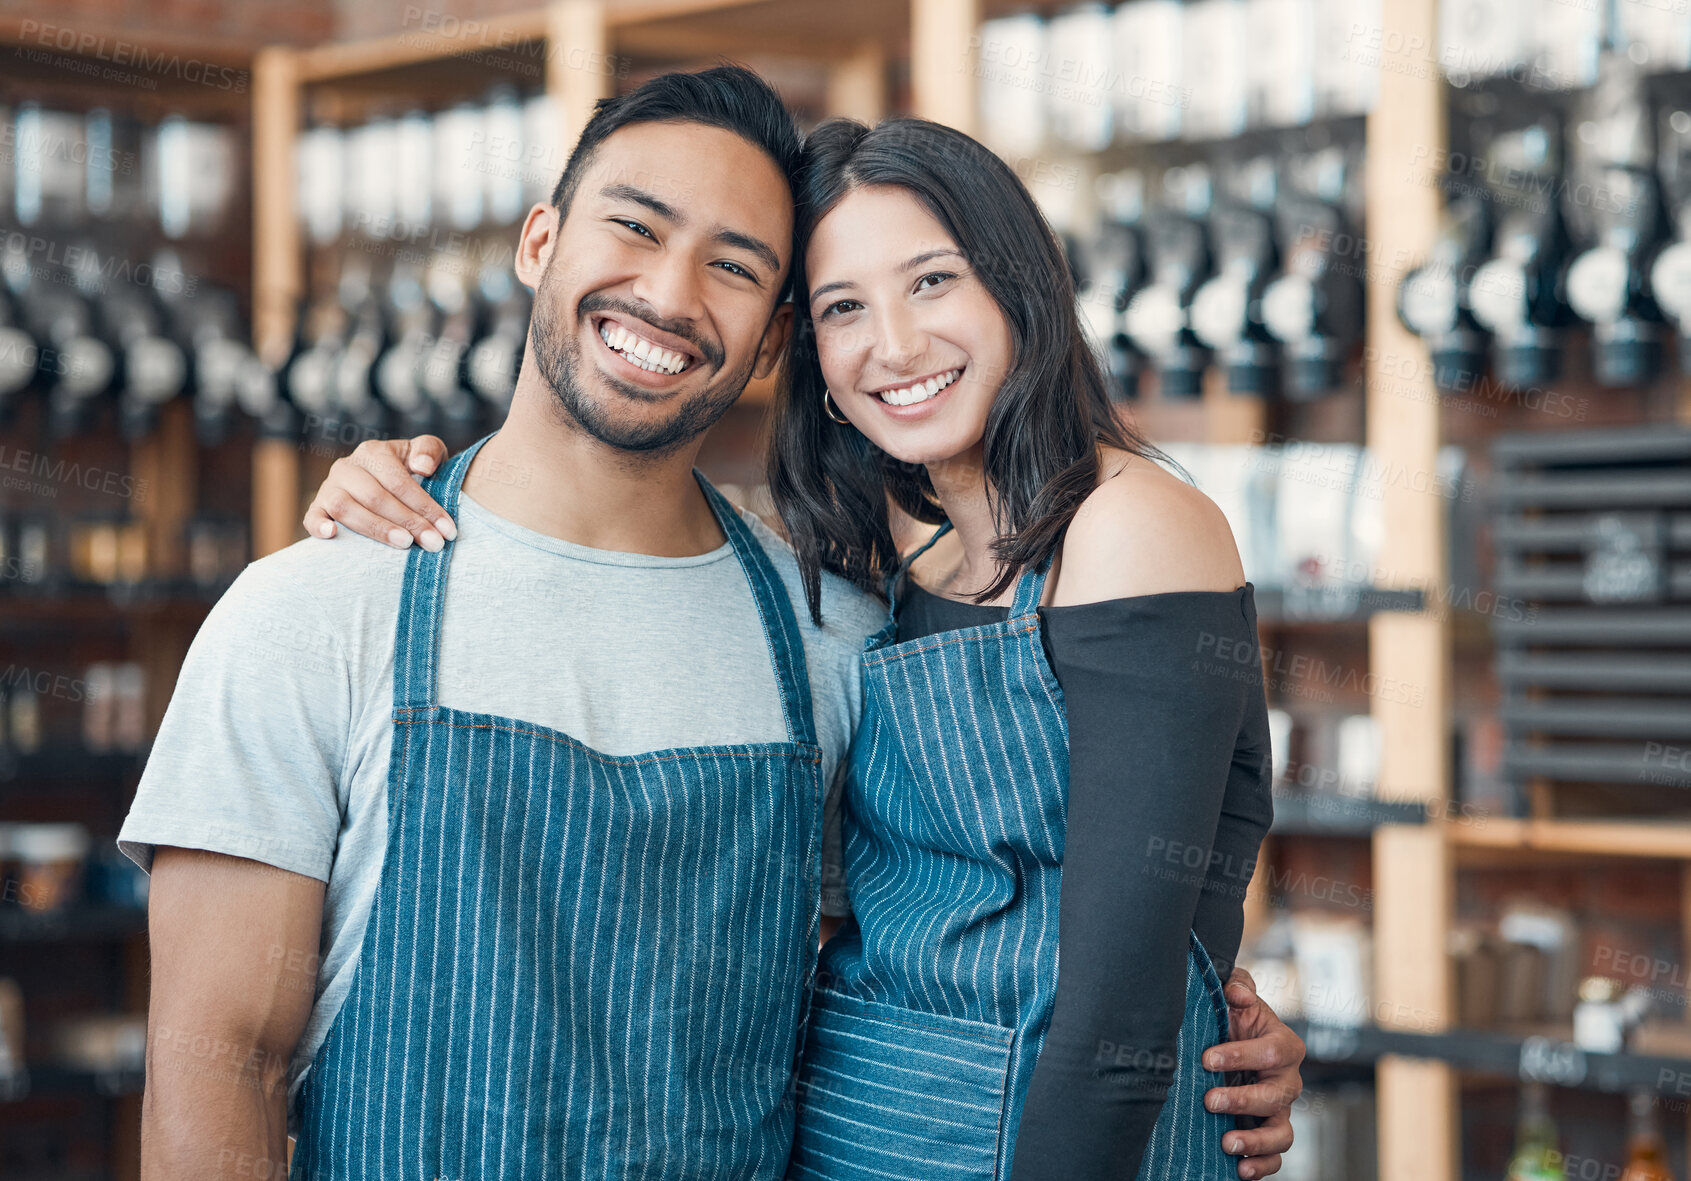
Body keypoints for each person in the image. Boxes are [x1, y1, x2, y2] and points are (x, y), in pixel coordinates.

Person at [303, 96, 1298, 1181]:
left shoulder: (1132, 523)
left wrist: (1210, 1024)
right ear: (805, 351)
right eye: (841, 307)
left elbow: (1117, 1017)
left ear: (1018, 282)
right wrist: (384, 471)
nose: (894, 344)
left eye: (931, 281)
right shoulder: (890, 569)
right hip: (853, 1139)